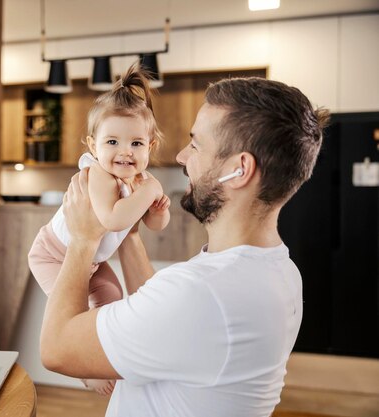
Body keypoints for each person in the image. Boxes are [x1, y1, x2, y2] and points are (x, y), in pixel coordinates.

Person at [39, 76, 330, 416]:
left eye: (195, 145)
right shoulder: (277, 270)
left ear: (239, 170)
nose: (180, 156)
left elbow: (57, 349)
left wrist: (83, 240)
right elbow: (160, 316)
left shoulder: (201, 293)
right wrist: (130, 235)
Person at [28, 64, 171, 395]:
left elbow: (151, 223)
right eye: (112, 141)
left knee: (112, 301)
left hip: (91, 257)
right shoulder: (99, 176)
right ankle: (86, 372)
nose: (125, 152)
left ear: (150, 147)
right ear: (93, 146)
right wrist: (149, 193)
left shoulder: (140, 181)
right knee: (72, 316)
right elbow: (114, 220)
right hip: (51, 254)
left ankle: (102, 360)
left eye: (136, 143)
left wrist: (158, 209)